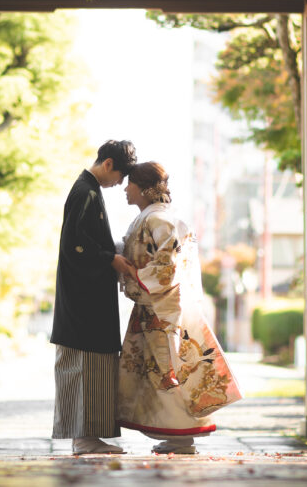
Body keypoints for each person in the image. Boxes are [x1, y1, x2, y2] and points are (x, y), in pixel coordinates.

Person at [116, 162, 242, 454]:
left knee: (169, 371)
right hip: (154, 305)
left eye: (130, 183)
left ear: (144, 189)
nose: (126, 189)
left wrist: (133, 273)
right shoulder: (154, 217)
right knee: (156, 372)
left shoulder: (160, 220)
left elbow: (169, 262)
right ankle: (176, 435)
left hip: (163, 307)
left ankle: (183, 436)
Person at [51, 139, 138, 455]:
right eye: (119, 177)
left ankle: (88, 436)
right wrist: (110, 259)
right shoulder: (85, 191)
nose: (119, 185)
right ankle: (83, 437)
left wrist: (110, 253)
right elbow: (75, 245)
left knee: (93, 367)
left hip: (87, 299)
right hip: (82, 302)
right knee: (84, 366)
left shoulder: (88, 189)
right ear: (109, 164)